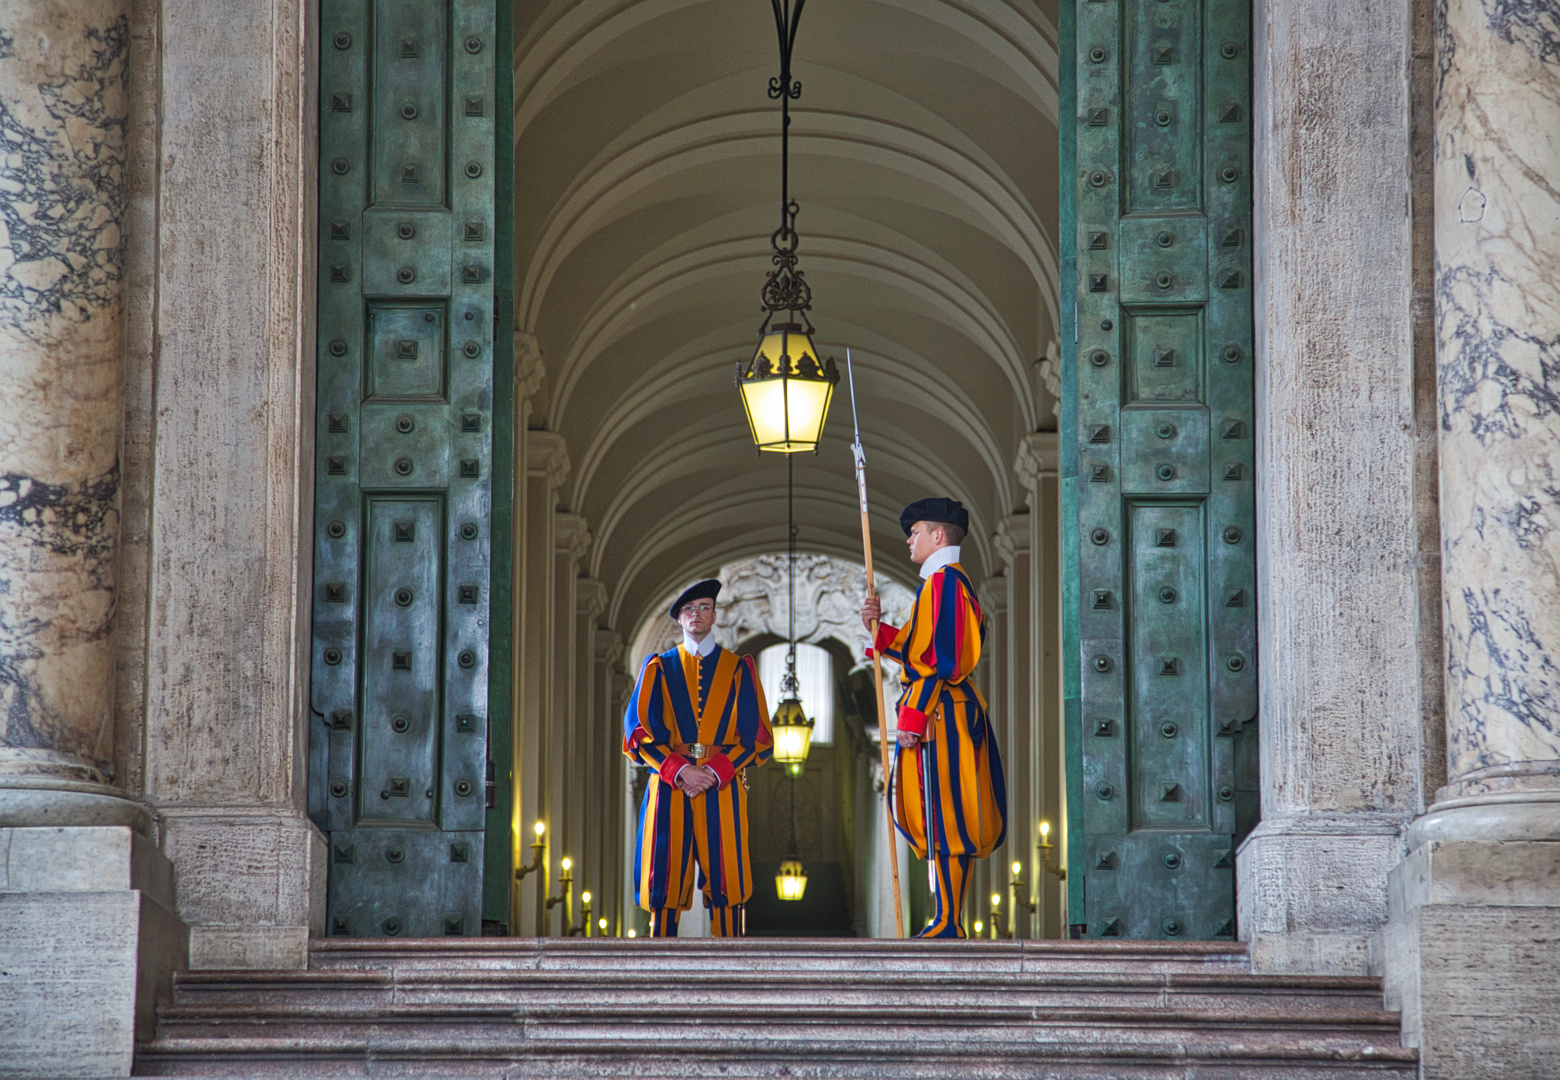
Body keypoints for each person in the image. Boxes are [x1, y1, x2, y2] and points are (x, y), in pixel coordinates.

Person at [861, 497, 1007, 937]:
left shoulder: (944, 583)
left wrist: (912, 715)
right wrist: (878, 629)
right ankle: (945, 916)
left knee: (948, 816)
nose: (909, 540)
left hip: (942, 712)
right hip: (943, 709)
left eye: (916, 531)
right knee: (938, 815)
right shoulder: (943, 585)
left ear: (938, 535)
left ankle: (948, 920)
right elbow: (919, 646)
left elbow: (941, 661)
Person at [623, 579, 773, 936]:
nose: (697, 614)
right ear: (680, 619)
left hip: (721, 784)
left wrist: (715, 772)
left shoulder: (739, 669)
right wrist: (680, 771)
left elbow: (757, 737)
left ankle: (731, 959)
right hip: (670, 783)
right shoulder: (658, 666)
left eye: (704, 607)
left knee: (727, 874)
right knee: (665, 871)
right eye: (689, 609)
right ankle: (661, 955)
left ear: (715, 615)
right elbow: (639, 732)